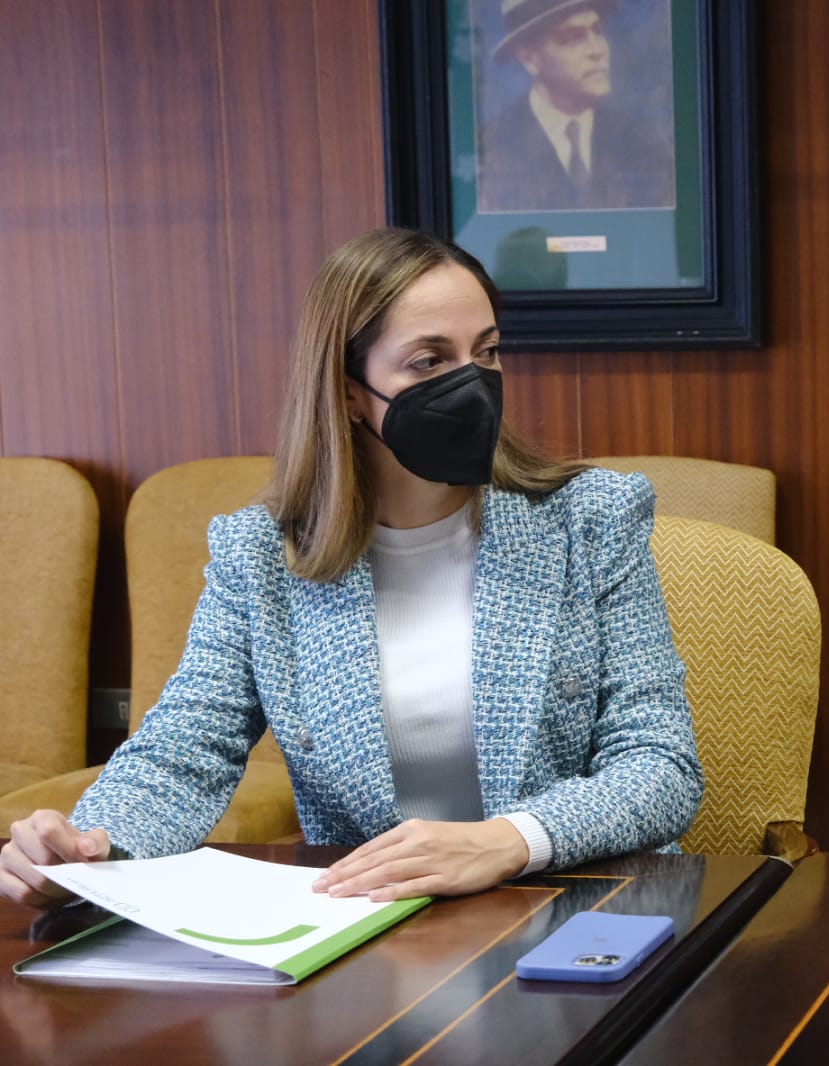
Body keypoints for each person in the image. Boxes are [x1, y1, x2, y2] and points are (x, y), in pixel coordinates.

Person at [1, 227, 703, 909]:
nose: (472, 383)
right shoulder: (260, 556)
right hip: (374, 923)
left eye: (486, 352)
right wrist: (88, 851)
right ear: (347, 392)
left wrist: (511, 841)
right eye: (428, 361)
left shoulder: (590, 519)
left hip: (583, 902)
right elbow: (184, 752)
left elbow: (660, 764)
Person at [477, 0, 674, 212]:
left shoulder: (644, 144)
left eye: (597, 31)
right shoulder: (489, 149)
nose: (597, 50)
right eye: (573, 38)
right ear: (529, 59)